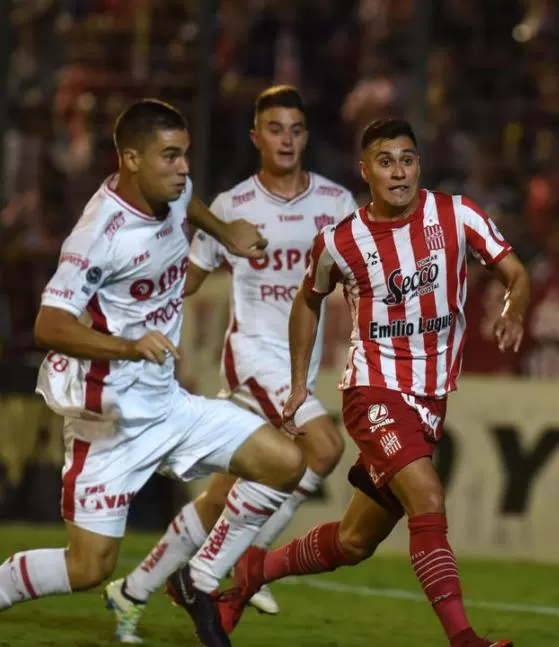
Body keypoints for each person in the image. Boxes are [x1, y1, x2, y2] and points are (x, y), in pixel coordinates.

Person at [0, 99, 307, 647]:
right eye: (171, 156)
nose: (184, 167)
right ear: (131, 158)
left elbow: (191, 203)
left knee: (284, 462)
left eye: (185, 154)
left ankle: (200, 576)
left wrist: (224, 231)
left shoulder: (173, 189)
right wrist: (126, 345)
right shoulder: (100, 232)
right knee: (87, 567)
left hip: (167, 403)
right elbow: (48, 324)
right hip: (108, 419)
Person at [216, 118, 529, 647]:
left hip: (430, 400)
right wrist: (298, 383)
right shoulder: (342, 241)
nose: (399, 171)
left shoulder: (457, 215)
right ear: (366, 172)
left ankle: (253, 574)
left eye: (408, 159)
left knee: (354, 541)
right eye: (386, 161)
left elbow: (516, 274)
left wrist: (513, 309)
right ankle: (465, 641)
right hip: (373, 390)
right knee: (427, 495)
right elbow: (307, 301)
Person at [101, 86, 357, 644]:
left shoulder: (336, 204)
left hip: (296, 369)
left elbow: (362, 278)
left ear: (306, 138)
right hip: (252, 362)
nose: (286, 139)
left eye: (295, 128)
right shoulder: (232, 206)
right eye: (274, 128)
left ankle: (136, 588)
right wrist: (131, 321)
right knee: (324, 447)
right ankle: (241, 566)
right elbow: (187, 281)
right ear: (255, 137)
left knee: (224, 495)